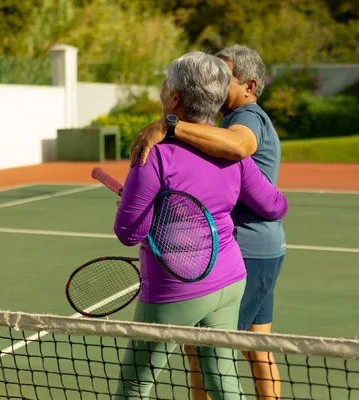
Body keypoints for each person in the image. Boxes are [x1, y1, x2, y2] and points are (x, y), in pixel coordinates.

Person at [113, 51, 288, 400]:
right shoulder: (232, 157)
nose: (161, 91)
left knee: (133, 388)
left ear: (176, 97)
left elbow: (128, 232)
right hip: (229, 282)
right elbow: (276, 205)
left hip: (174, 290)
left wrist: (148, 211)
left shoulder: (154, 154)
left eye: (165, 86)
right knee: (224, 384)